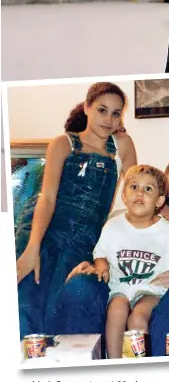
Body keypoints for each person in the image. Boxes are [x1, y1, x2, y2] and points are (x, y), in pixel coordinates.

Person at [54, 155, 169, 356]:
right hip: (118, 290)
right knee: (80, 286)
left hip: (162, 299)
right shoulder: (115, 221)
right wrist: (95, 266)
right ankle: (103, 366)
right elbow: (101, 253)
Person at [14, 81, 136, 339]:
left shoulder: (122, 146)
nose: (109, 119)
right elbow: (47, 199)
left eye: (116, 113)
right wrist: (31, 249)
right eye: (102, 110)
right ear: (87, 108)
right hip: (44, 232)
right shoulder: (63, 143)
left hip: (83, 242)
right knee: (26, 309)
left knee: (58, 314)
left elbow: (135, 193)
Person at [82, 164, 169, 358]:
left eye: (148, 189)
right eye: (134, 187)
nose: (139, 192)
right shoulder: (113, 226)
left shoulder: (167, 231)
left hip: (152, 289)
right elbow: (100, 253)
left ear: (159, 200)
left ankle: (140, 366)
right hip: (121, 288)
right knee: (116, 310)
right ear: (124, 195)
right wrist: (101, 266)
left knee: (138, 317)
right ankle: (114, 364)